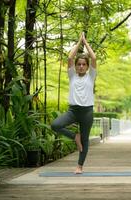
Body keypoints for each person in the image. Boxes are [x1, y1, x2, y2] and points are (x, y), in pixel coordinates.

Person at [51, 32, 96, 174]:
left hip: (87, 112)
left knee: (85, 140)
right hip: (73, 111)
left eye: (84, 64)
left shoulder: (91, 77)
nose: (81, 66)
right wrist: (79, 42)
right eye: (79, 64)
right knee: (55, 125)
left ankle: (80, 166)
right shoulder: (72, 76)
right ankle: (74, 137)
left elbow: (93, 57)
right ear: (75, 66)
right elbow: (70, 57)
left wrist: (85, 42)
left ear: (87, 67)